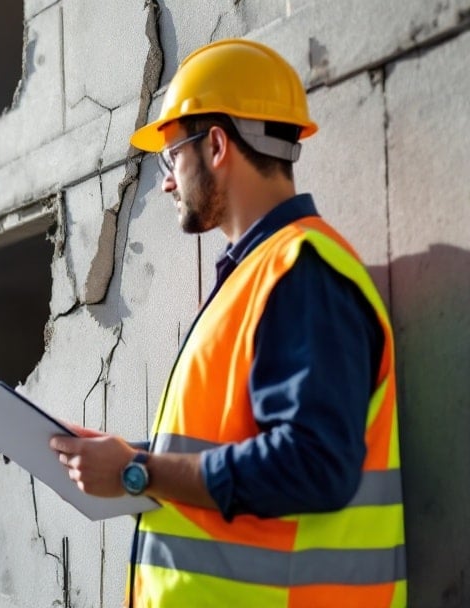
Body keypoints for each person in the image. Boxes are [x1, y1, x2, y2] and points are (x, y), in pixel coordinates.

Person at [48, 39, 406, 607]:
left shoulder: (299, 273)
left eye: (171, 158)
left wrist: (138, 471)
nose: (165, 181)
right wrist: (131, 456)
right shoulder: (262, 273)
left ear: (216, 145)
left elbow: (315, 465)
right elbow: (244, 445)